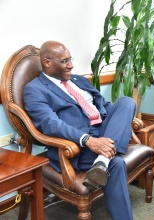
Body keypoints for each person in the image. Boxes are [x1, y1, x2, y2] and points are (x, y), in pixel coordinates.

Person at [24, 41, 135, 219]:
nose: (71, 65)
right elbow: (50, 124)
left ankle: (102, 161)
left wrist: (118, 123)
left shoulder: (78, 80)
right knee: (117, 164)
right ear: (47, 62)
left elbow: (104, 106)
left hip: (104, 132)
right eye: (65, 61)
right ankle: (107, 161)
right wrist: (88, 140)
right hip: (77, 144)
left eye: (70, 59)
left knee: (127, 102)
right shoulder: (35, 90)